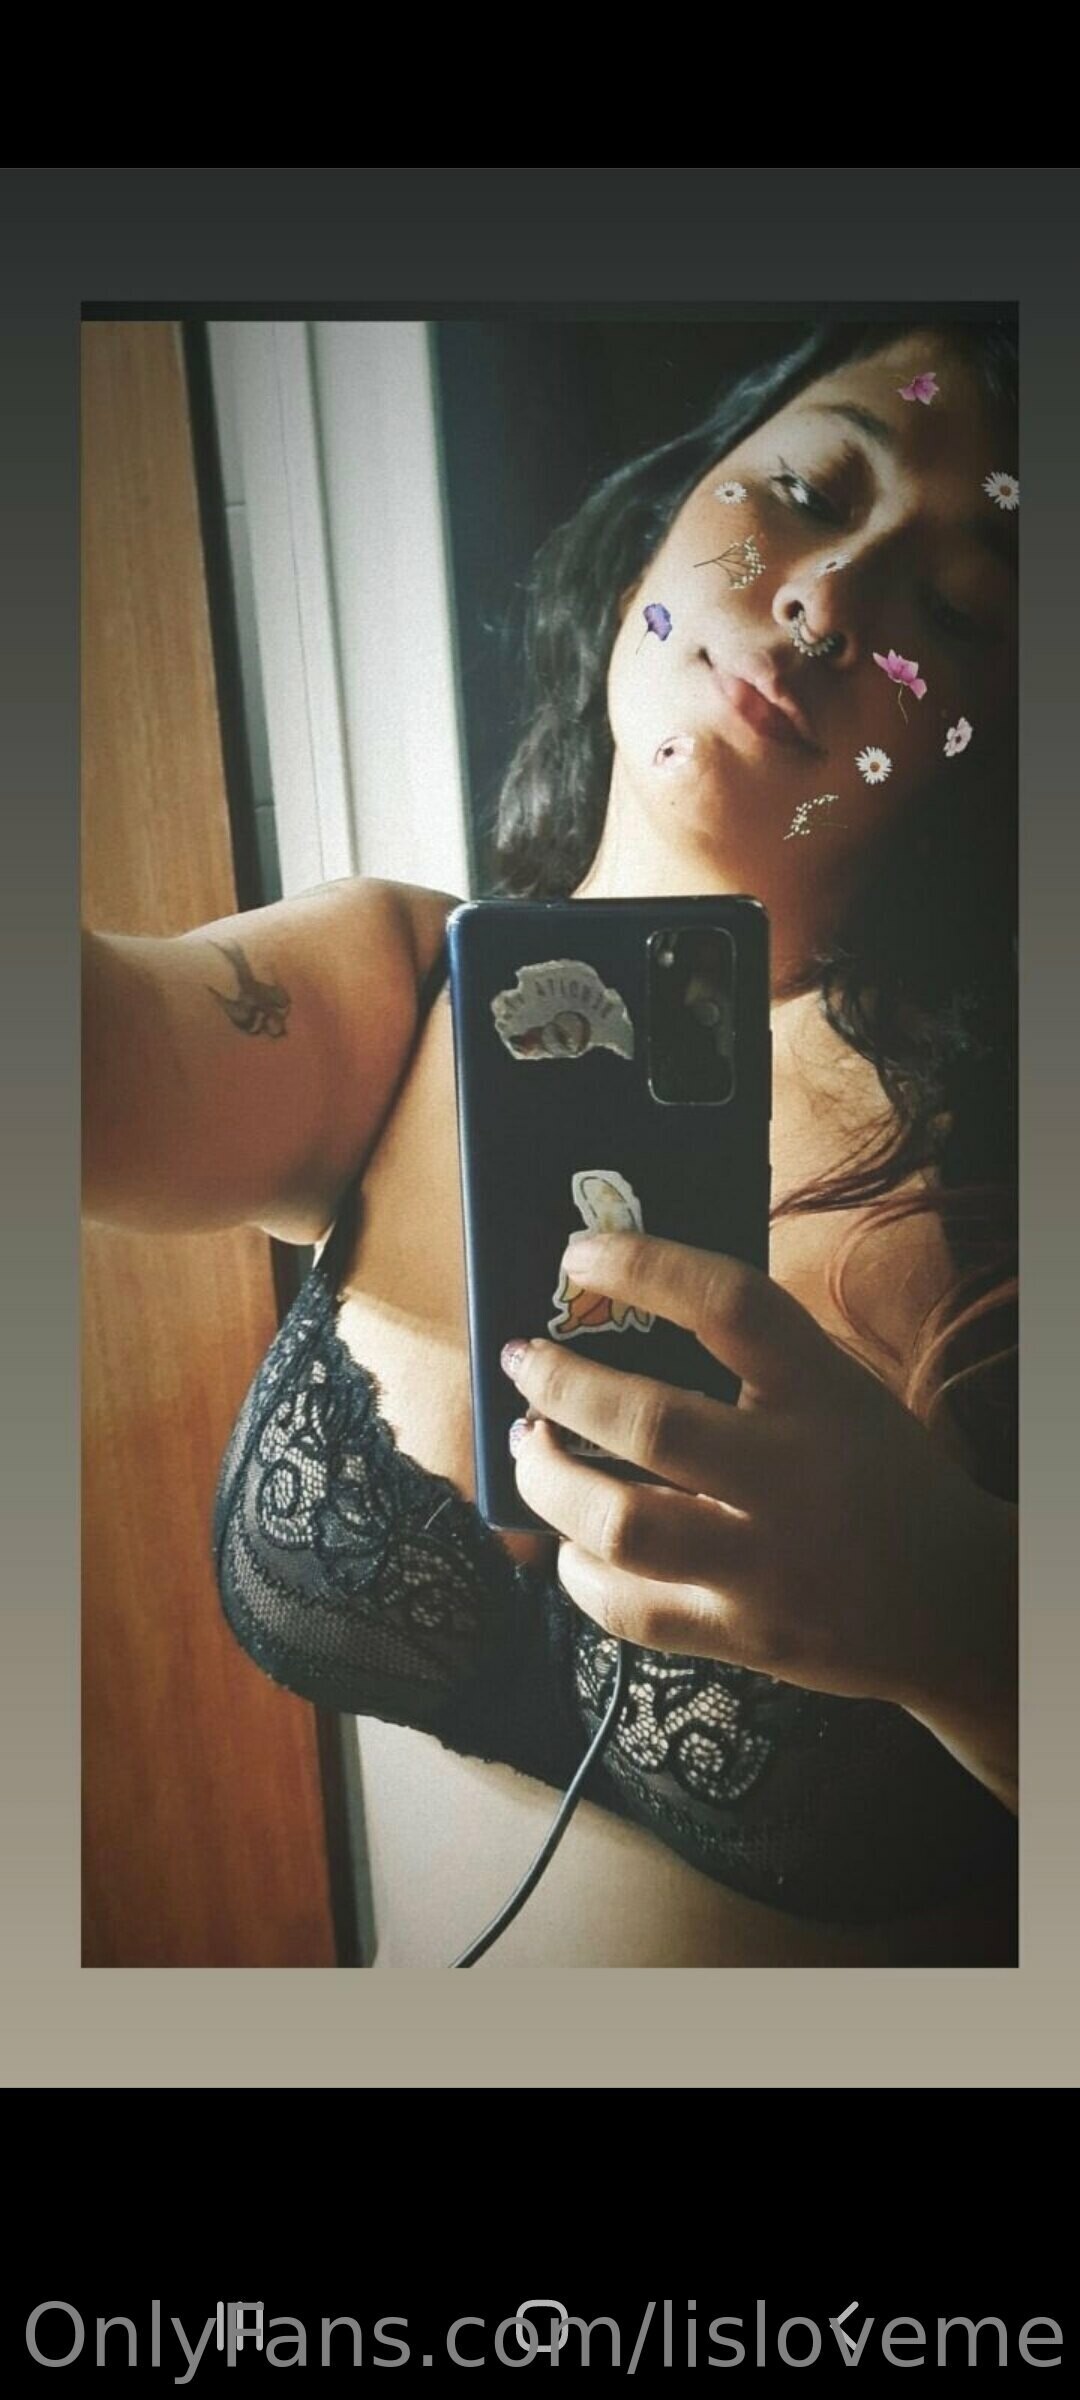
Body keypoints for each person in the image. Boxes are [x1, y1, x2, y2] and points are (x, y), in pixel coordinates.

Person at [83, 315, 1018, 1965]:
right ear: (670, 508)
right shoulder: (389, 998)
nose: (825, 597)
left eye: (952, 608)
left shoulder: (1009, 1207)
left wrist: (966, 1629)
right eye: (809, 490)